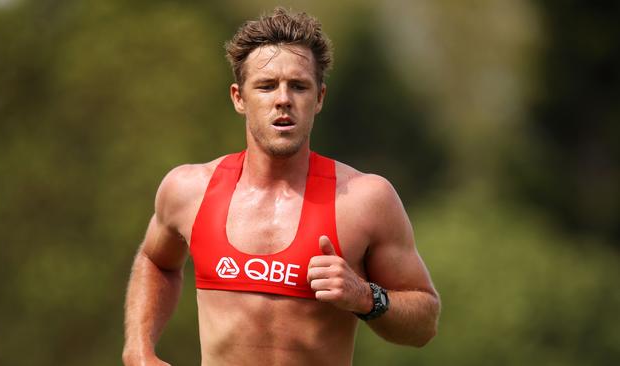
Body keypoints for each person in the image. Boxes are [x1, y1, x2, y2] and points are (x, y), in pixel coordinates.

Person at [122, 7, 440, 366]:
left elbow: (425, 322)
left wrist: (365, 297)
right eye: (267, 85)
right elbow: (156, 261)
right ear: (239, 98)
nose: (283, 99)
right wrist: (138, 348)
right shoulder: (188, 190)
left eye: (299, 86)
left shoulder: (365, 200)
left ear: (319, 98)